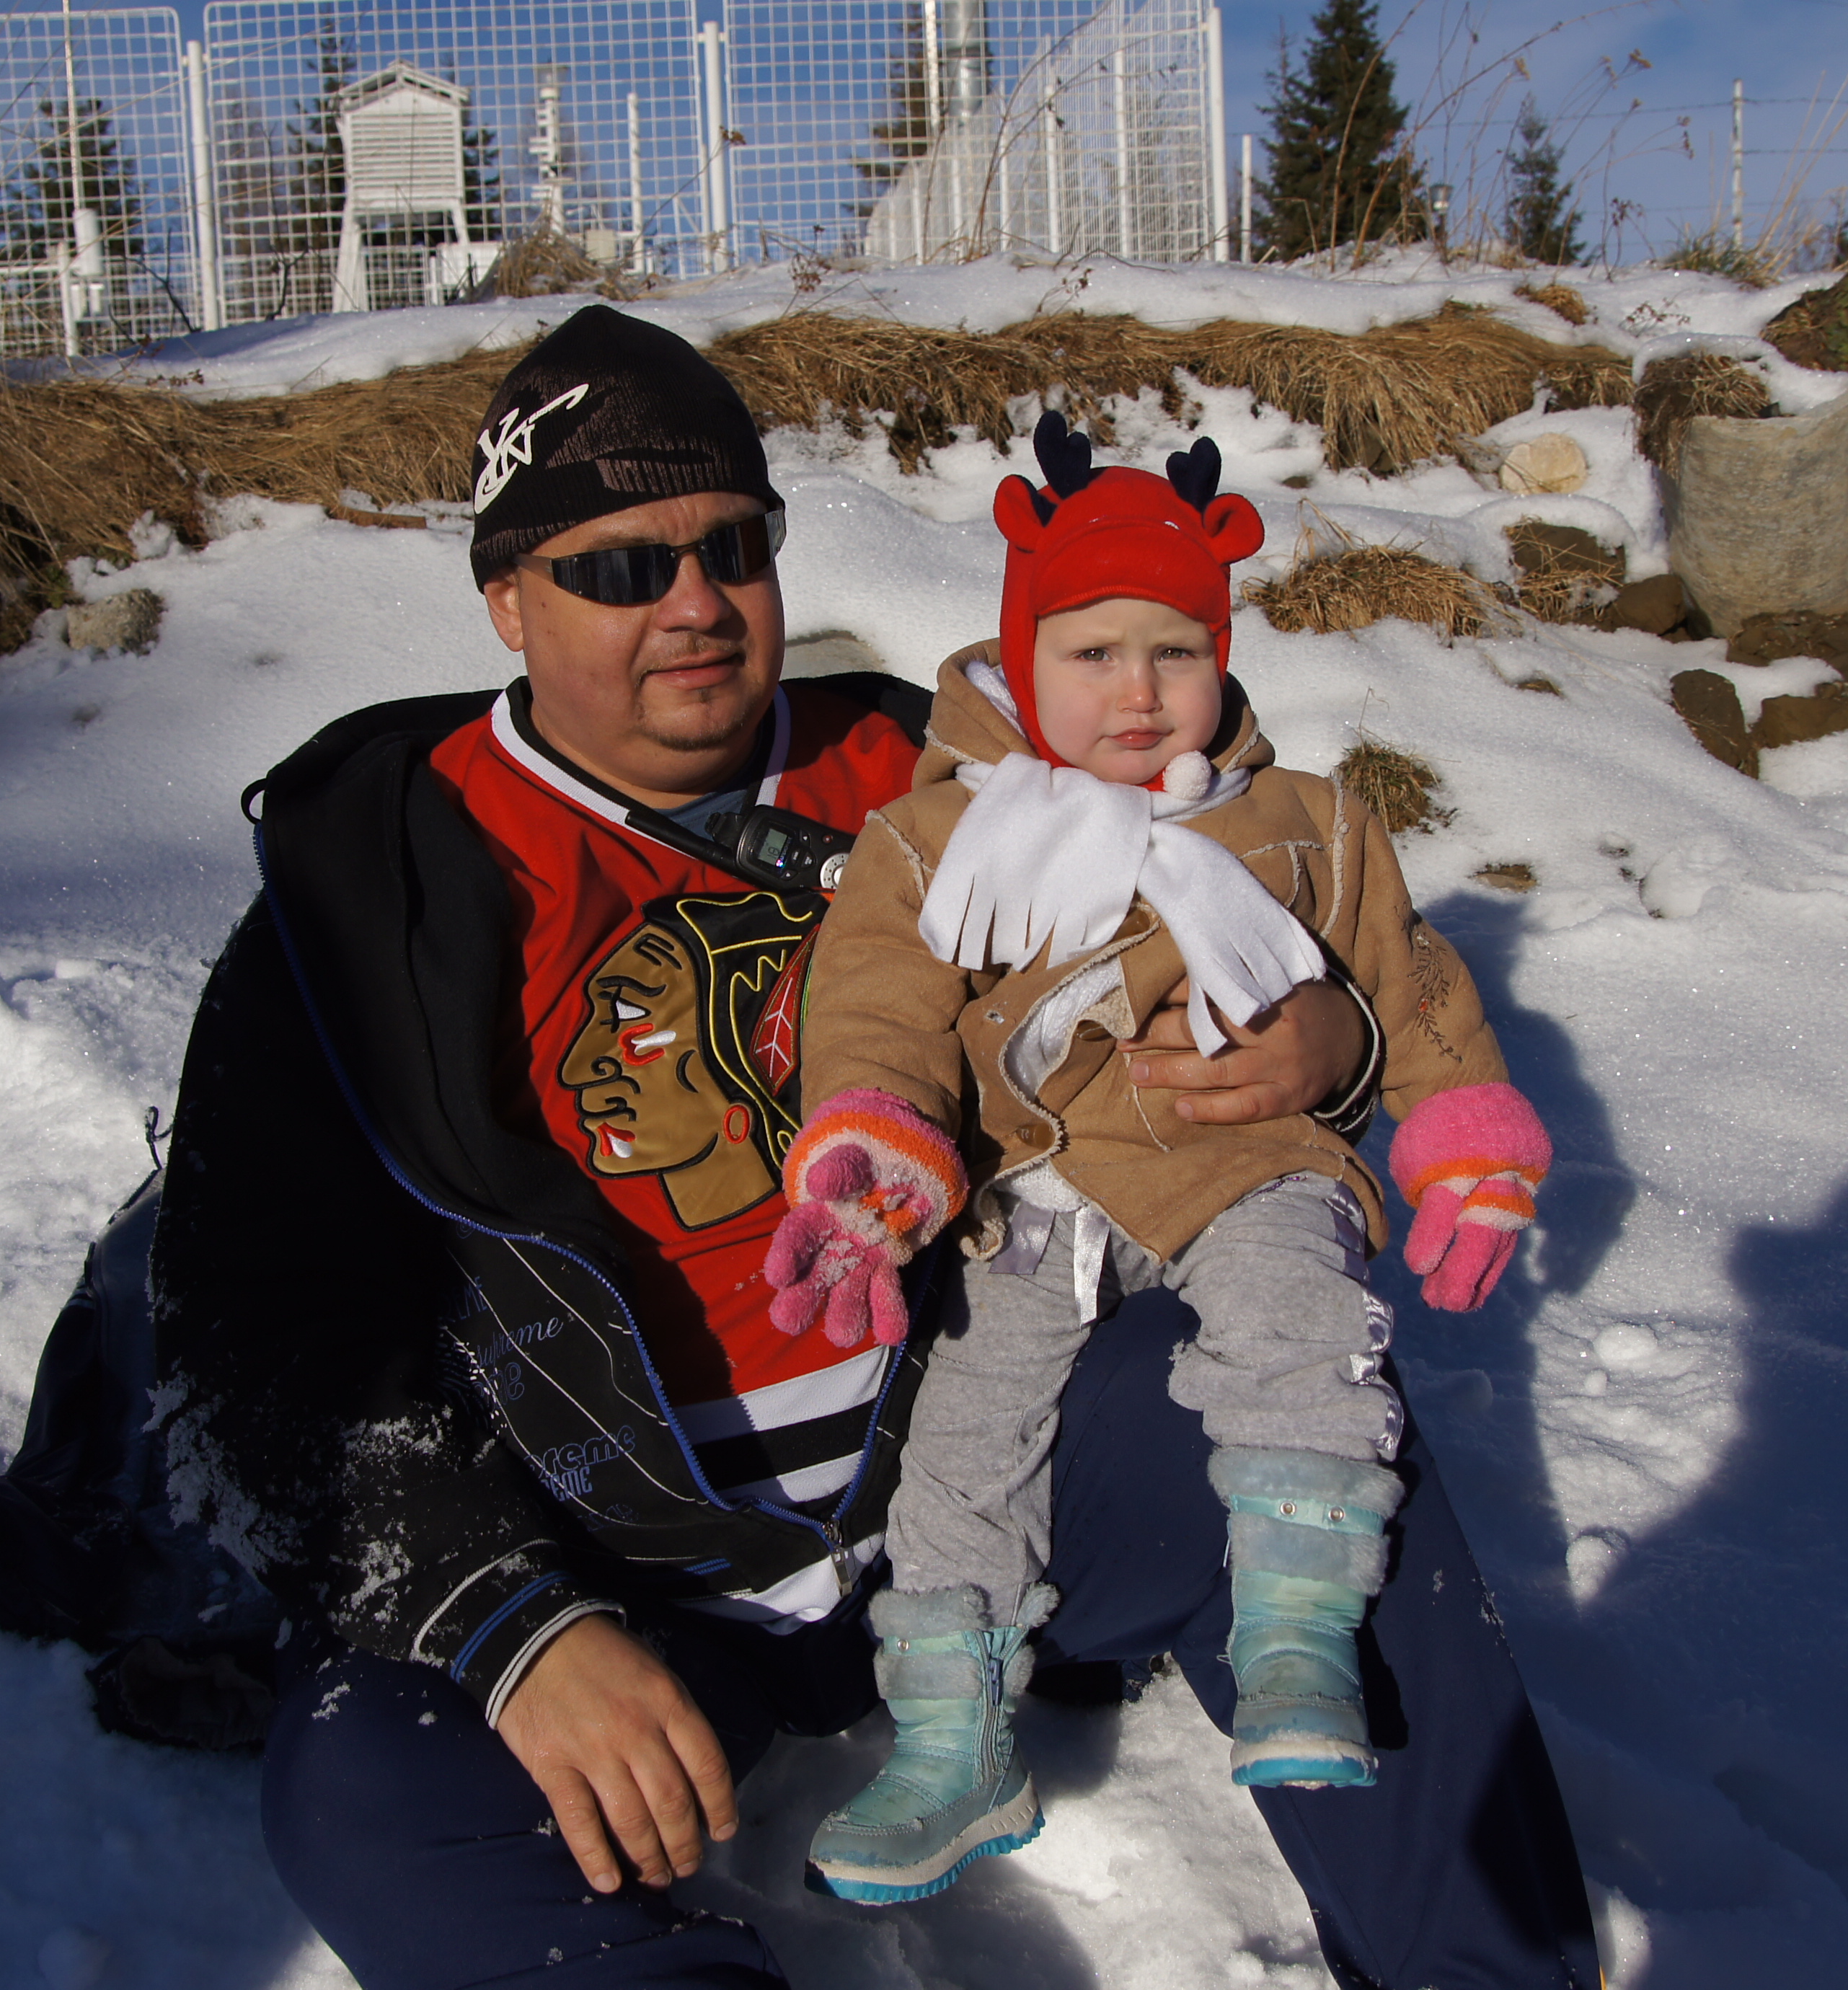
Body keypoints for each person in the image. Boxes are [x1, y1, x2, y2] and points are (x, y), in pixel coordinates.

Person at [142, 304, 1599, 1989]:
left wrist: (1327, 1041)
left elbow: (1261, 860)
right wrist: (508, 1622)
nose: (694, 603)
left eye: (731, 547)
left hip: (982, 1464)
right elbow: (256, 1331)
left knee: (1307, 1419)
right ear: (506, 601)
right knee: (362, 1782)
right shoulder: (378, 889)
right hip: (625, 1578)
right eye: (618, 569)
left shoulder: (953, 771)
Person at [761, 415, 1555, 1905]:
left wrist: (1463, 1138)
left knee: (1298, 1328)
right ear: (1021, 657)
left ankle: (1299, 1637)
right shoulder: (938, 836)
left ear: (1222, 653)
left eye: (1174, 652)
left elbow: (1408, 982)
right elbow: (876, 999)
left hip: (1241, 1157)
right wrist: (877, 1147)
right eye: (1092, 654)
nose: (1136, 692)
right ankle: (950, 1738)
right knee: (964, 1438)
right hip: (1031, 1197)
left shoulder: (1303, 824)